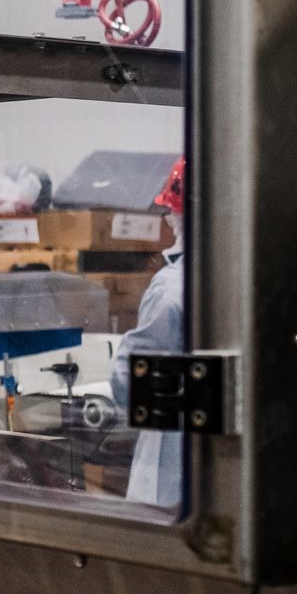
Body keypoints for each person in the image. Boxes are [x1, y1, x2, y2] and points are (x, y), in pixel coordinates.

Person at [110, 156, 184, 509]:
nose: (168, 217)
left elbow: (128, 383)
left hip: (168, 481)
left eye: (171, 209)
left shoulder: (171, 289)